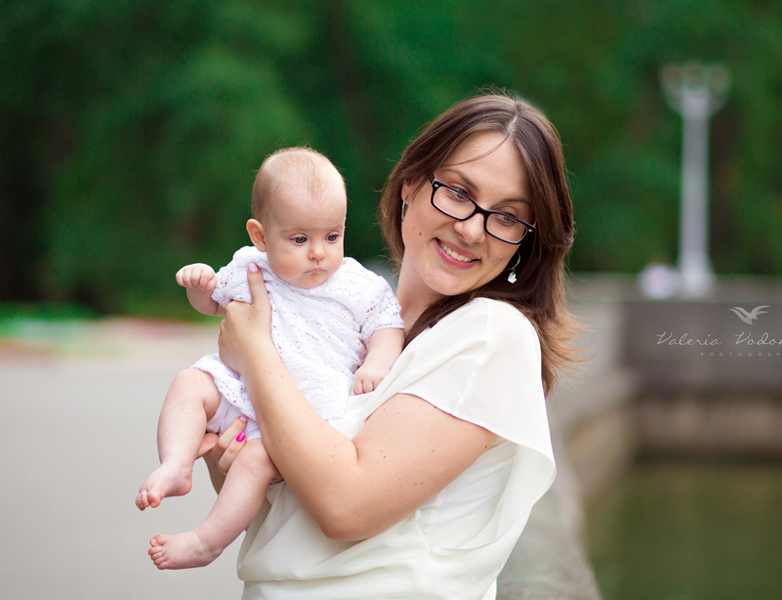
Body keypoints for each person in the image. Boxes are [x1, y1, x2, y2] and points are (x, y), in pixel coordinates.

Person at [199, 92, 578, 599]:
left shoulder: (491, 335)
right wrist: (226, 445)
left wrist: (256, 354)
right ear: (411, 186)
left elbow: (344, 505)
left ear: (524, 242)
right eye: (459, 192)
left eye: (507, 217)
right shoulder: (349, 325)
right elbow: (279, 506)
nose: (470, 228)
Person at [138, 147, 405, 570]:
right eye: (300, 239)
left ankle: (208, 541)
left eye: (332, 236)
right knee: (189, 384)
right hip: (241, 391)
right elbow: (213, 305)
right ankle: (176, 463)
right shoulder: (250, 266)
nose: (319, 252)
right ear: (260, 236)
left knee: (256, 462)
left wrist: (376, 363)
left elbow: (388, 327)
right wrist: (199, 285)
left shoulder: (358, 284)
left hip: (304, 410)